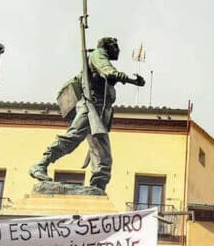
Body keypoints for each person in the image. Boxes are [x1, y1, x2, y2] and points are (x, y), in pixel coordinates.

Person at [28, 37, 145, 192]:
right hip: (90, 107)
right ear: (108, 46)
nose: (118, 50)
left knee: (103, 154)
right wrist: (131, 80)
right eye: (116, 47)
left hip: (98, 113)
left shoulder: (99, 56)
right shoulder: (98, 54)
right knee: (72, 138)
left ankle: (98, 188)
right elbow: (108, 72)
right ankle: (40, 165)